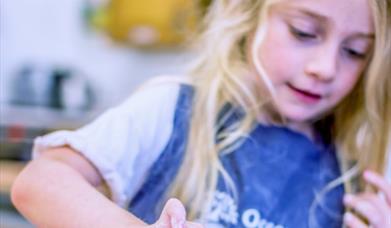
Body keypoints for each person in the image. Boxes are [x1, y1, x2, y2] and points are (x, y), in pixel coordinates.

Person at [11, 0, 391, 227]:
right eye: (304, 32)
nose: (325, 67)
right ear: (248, 14)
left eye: (355, 51)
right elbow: (40, 183)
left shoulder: (353, 168)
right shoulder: (174, 108)